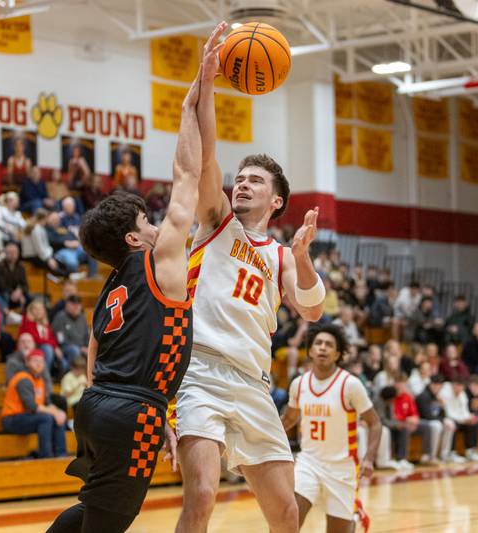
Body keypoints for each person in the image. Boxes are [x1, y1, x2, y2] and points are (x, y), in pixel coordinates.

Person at [171, 24, 324, 533]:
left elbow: (313, 309)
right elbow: (207, 156)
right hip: (202, 372)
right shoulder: (216, 222)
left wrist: (301, 257)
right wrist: (208, 79)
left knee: (285, 514)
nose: (243, 183)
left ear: (276, 200)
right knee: (203, 494)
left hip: (254, 382)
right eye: (242, 177)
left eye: (256, 180)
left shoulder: (282, 253)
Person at [47, 54, 202, 532]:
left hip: (96, 407)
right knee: (108, 523)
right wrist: (191, 104)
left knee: (94, 509)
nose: (157, 226)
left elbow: (93, 355)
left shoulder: (112, 287)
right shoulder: (157, 264)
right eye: (145, 222)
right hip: (131, 410)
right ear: (134, 240)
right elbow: (187, 178)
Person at [280, 324, 380, 532]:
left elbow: (375, 422)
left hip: (342, 468)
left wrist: (369, 458)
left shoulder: (350, 384)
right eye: (318, 343)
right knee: (287, 519)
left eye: (329, 345)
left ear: (338, 354)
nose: (322, 348)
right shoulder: (299, 384)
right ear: (310, 351)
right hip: (309, 462)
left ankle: (354, 517)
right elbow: (289, 419)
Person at [1, 349, 67, 458]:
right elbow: (31, 406)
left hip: (28, 417)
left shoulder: (40, 380)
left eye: (41, 361)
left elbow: (47, 403)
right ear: (27, 363)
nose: (39, 364)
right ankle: (46, 457)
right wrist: (54, 413)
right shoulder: (22, 378)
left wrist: (59, 412)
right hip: (11, 419)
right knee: (46, 418)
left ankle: (61, 455)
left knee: (58, 417)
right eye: (35, 361)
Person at [51, 294, 89, 368]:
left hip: (82, 348)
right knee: (74, 350)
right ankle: (70, 376)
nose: (76, 307)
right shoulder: (60, 317)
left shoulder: (82, 318)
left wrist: (88, 348)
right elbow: (61, 341)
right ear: (67, 305)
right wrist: (80, 348)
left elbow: (86, 336)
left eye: (78, 304)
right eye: (73, 304)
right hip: (64, 348)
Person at [0, 242, 29, 313]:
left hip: (16, 293)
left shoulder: (21, 267)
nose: (13, 255)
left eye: (15, 252)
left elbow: (25, 285)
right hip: (3, 292)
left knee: (29, 298)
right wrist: (14, 293)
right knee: (3, 294)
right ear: (5, 253)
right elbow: (1, 286)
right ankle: (7, 314)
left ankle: (26, 320)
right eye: (10, 253)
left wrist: (20, 291)